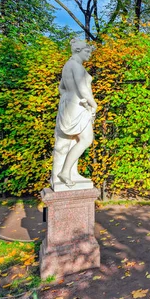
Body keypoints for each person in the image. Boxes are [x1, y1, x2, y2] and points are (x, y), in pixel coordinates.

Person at [51, 39, 97, 188]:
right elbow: (83, 89)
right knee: (86, 139)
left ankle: (70, 172)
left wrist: (68, 97)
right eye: (87, 51)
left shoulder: (67, 66)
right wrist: (93, 104)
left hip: (70, 105)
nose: (89, 55)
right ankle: (65, 172)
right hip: (78, 107)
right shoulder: (76, 66)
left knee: (73, 141)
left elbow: (61, 89)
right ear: (78, 50)